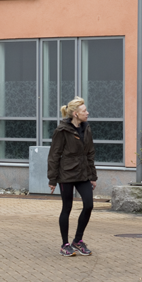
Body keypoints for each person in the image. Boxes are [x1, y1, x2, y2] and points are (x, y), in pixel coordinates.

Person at [47, 97, 98, 257]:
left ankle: (78, 240)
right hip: (66, 174)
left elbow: (90, 153)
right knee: (67, 208)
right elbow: (54, 155)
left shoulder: (86, 128)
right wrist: (52, 179)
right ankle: (65, 245)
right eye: (84, 111)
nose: (87, 113)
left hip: (83, 174)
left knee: (89, 205)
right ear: (75, 114)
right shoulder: (62, 131)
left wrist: (92, 176)